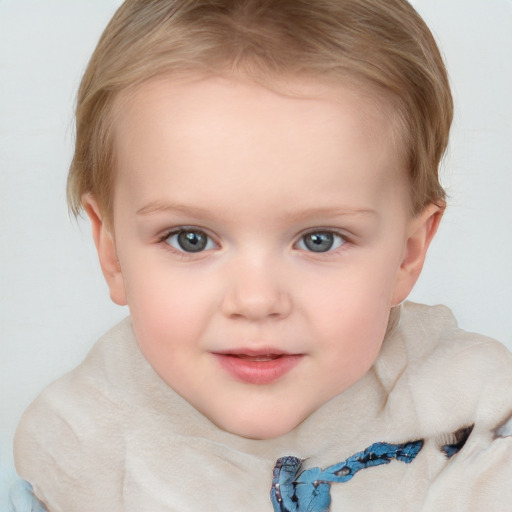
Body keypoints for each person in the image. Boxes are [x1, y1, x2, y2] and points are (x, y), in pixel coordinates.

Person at [13, 0, 512, 510]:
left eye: (319, 239)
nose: (255, 301)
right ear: (113, 252)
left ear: (408, 253)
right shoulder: (78, 451)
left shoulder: (470, 422)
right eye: (191, 239)